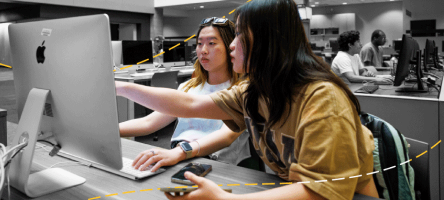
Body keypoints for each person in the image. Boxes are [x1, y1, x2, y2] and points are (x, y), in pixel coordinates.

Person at [115, 0, 378, 199]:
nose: (231, 45)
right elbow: (190, 104)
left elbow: (321, 191)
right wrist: (120, 86)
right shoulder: (255, 90)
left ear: (266, 40)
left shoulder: (322, 99)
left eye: (239, 34)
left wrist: (225, 198)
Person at [118, 17, 251, 166]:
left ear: (230, 47)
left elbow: (226, 137)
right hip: (182, 157)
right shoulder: (188, 87)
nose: (203, 50)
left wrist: (180, 152)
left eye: (211, 43)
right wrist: (108, 131)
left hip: (220, 164)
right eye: (199, 44)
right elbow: (149, 122)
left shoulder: (243, 90)